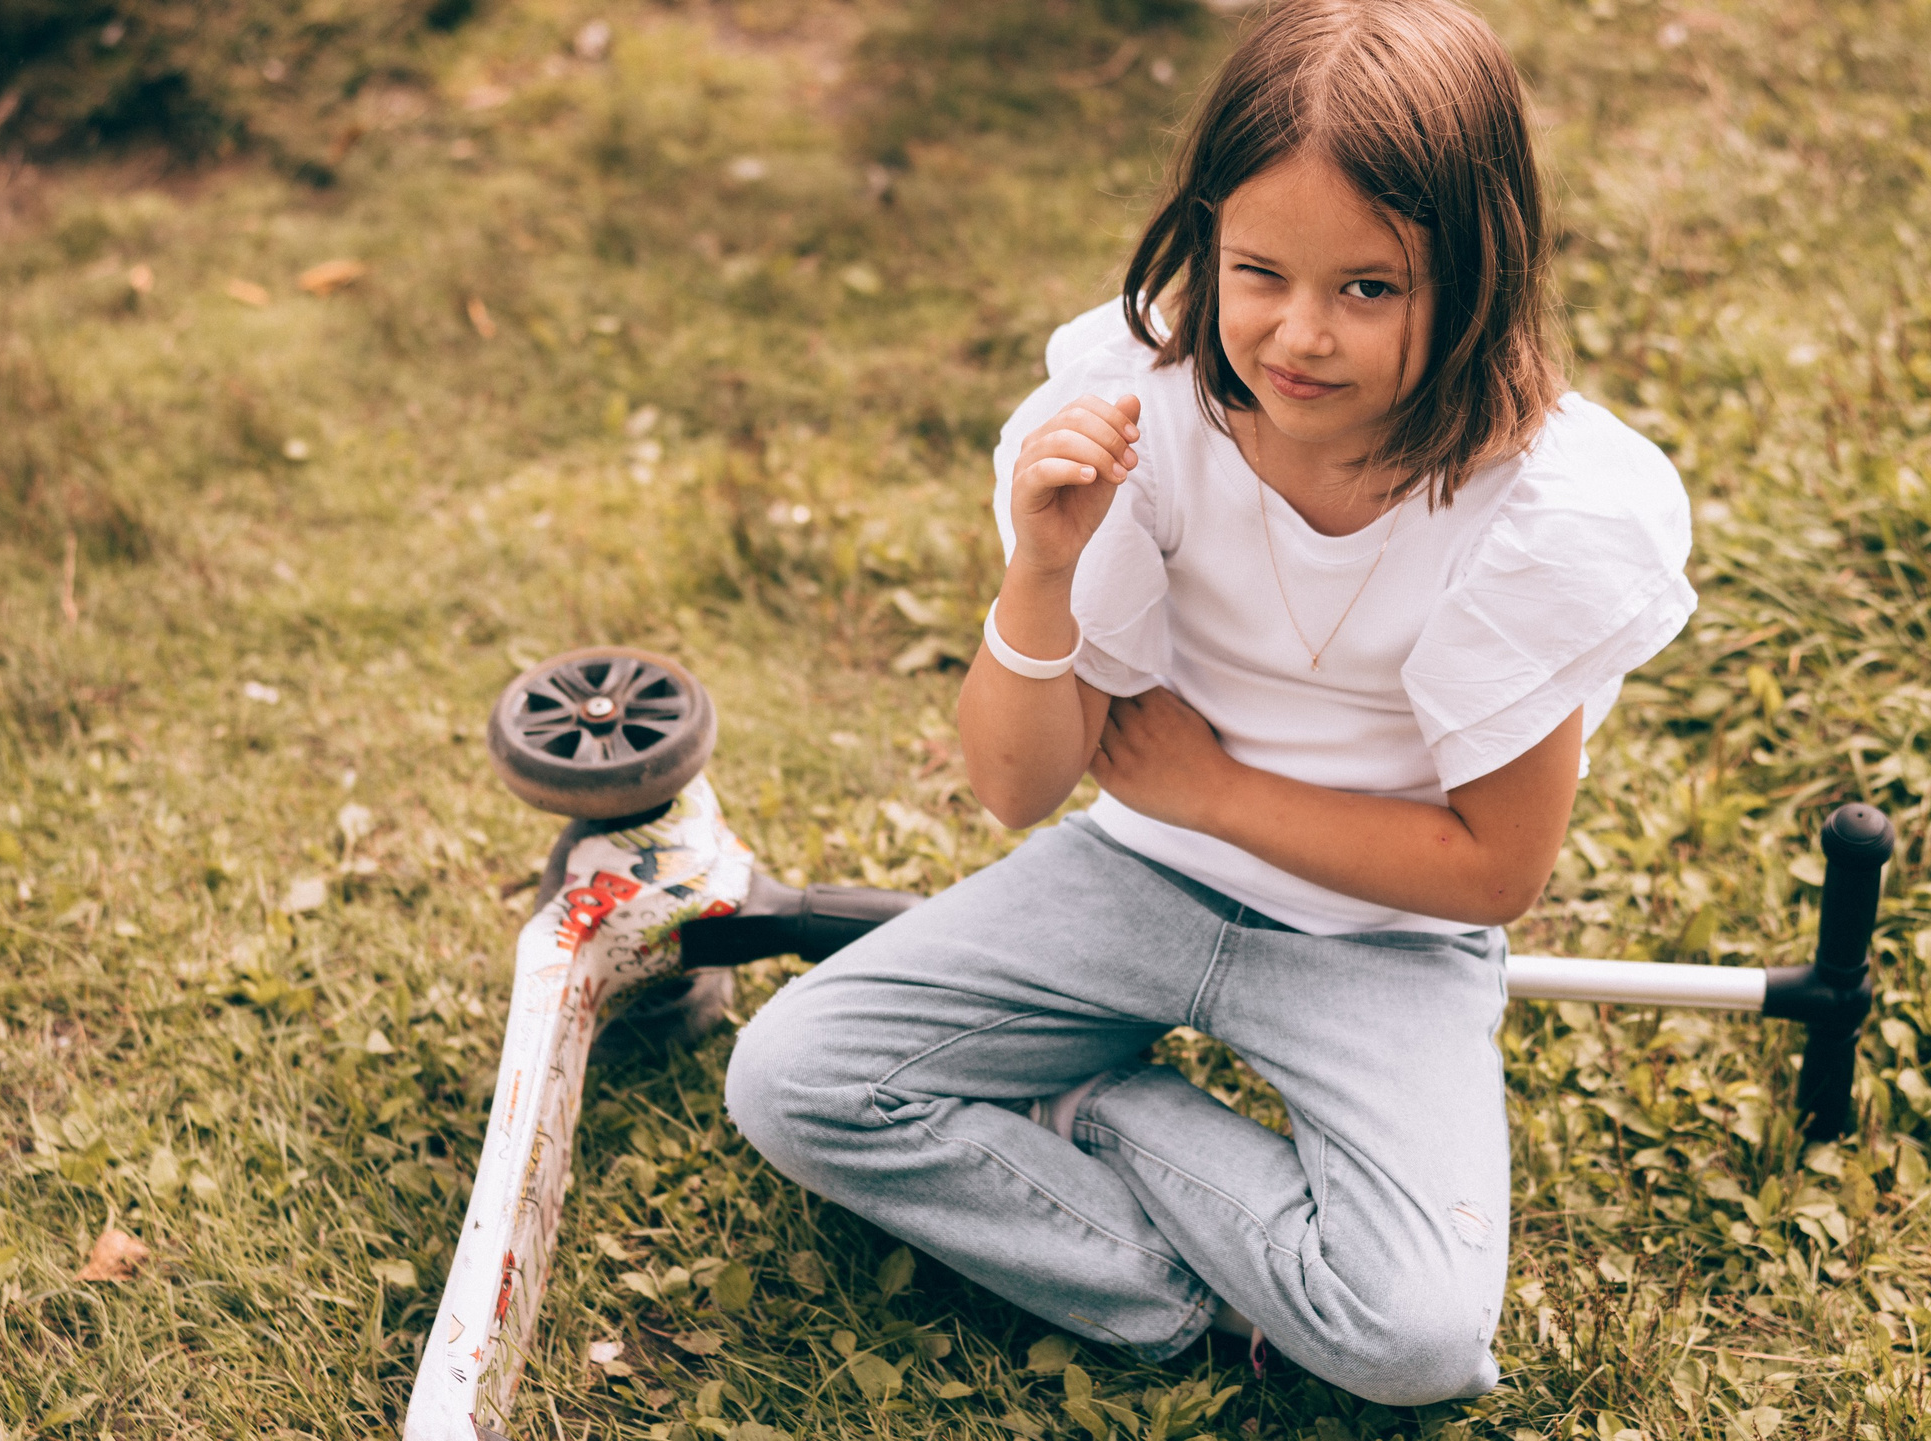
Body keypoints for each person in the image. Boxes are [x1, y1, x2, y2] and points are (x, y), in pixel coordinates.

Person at [726, 0, 1694, 1405]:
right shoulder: (1145, 412)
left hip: (1382, 936)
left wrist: (1215, 790)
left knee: (1420, 1338)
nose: (1301, 335)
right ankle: (1191, 1294)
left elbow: (1497, 870)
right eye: (1260, 273)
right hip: (1137, 875)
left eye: (1371, 289)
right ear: (1207, 241)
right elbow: (1016, 786)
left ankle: (1097, 1112)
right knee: (795, 1074)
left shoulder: (1538, 510)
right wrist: (1046, 566)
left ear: (1477, 276)